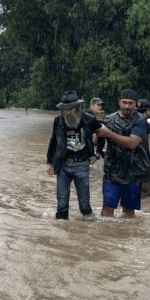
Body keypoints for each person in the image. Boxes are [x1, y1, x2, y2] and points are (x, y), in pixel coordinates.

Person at [46, 90, 108, 220]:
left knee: (85, 206)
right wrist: (49, 162)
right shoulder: (58, 120)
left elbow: (102, 134)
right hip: (62, 165)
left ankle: (89, 232)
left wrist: (97, 154)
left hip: (82, 165)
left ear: (77, 107)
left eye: (69, 109)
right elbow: (53, 141)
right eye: (64, 109)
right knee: (61, 205)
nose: (67, 112)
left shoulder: (89, 119)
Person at [100, 89, 150, 218]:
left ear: (136, 104)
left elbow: (132, 143)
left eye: (130, 103)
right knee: (107, 208)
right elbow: (98, 140)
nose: (127, 106)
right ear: (119, 102)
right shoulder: (108, 119)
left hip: (133, 172)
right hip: (111, 171)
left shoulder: (140, 121)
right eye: (124, 102)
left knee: (129, 212)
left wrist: (108, 133)